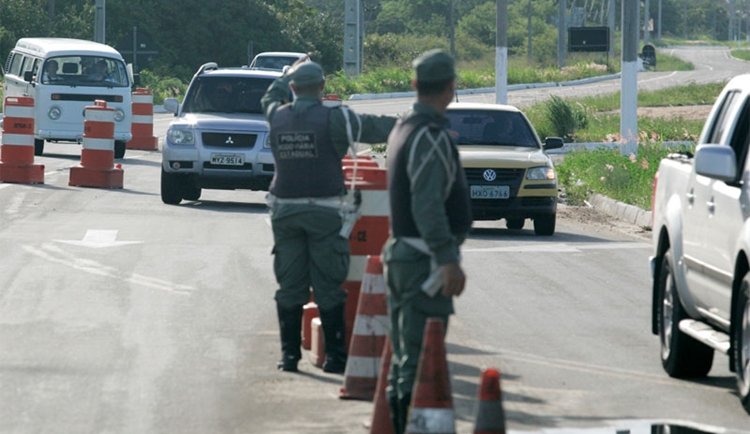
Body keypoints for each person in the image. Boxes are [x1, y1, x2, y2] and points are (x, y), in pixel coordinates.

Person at [261, 61, 396, 374]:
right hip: (325, 211)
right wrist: (413, 123)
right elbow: (374, 126)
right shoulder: (336, 119)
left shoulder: (276, 116)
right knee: (328, 284)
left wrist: (284, 76)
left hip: (285, 210)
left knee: (290, 284)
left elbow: (268, 98)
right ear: (322, 88)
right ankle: (336, 358)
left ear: (293, 89)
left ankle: (289, 357)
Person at [382, 49, 472, 434]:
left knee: (406, 360)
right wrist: (447, 258)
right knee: (420, 362)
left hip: (406, 256)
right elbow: (428, 203)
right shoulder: (430, 136)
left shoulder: (404, 127)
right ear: (451, 88)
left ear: (415, 85)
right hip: (423, 262)